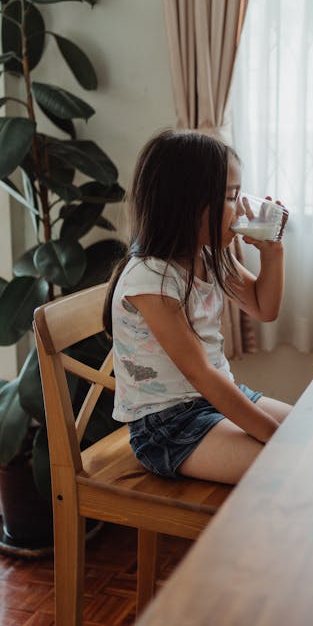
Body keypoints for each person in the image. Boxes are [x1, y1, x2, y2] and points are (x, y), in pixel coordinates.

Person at [103, 129, 291, 485]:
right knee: (286, 465)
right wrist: (274, 437)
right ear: (187, 203)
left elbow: (265, 308)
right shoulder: (150, 278)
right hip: (167, 426)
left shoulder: (211, 255)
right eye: (232, 197)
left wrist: (273, 252)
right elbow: (199, 373)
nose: (242, 209)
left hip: (214, 398)